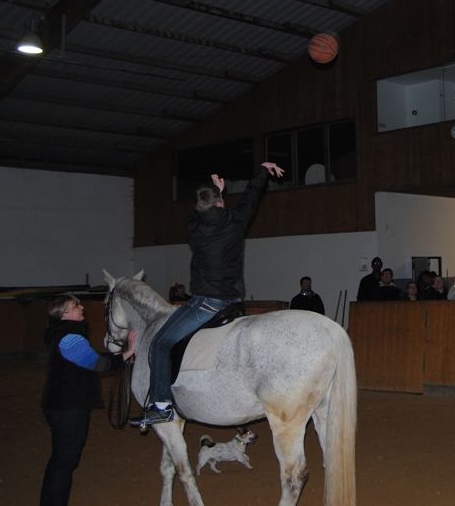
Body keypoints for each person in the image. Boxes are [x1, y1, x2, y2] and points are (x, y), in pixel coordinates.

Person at [131, 162, 284, 428]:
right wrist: (260, 170)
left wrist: (215, 191)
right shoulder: (236, 222)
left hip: (206, 303)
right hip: (234, 300)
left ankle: (161, 405)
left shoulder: (194, 228)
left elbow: (199, 212)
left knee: (158, 344)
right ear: (221, 202)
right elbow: (252, 196)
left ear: (201, 208)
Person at [41, 294, 136, 506]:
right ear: (64, 314)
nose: (81, 307)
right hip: (69, 408)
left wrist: (122, 356)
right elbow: (98, 364)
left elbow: (90, 357)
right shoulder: (70, 338)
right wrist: (128, 352)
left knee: (61, 460)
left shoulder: (64, 335)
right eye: (76, 306)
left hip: (62, 406)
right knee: (65, 462)